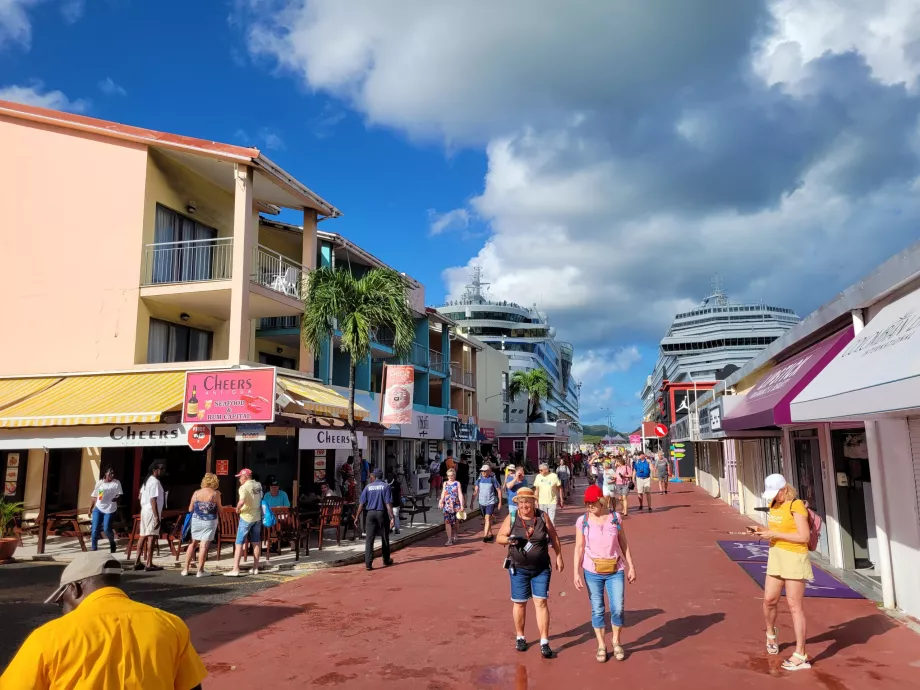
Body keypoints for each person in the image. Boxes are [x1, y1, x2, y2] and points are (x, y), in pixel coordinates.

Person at [0, 551, 208, 690]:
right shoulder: (170, 625)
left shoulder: (49, 637)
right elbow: (191, 687)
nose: (62, 609)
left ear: (75, 588)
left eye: (61, 601)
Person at [754, 474, 814, 672]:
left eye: (776, 493)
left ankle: (800, 654)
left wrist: (774, 534)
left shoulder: (795, 505)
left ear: (785, 489)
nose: (774, 497)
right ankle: (771, 633)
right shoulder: (774, 503)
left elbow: (804, 536)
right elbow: (776, 528)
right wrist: (762, 531)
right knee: (769, 599)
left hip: (795, 557)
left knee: (794, 605)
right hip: (776, 555)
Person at [496, 486, 565, 659]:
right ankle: (520, 637)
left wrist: (559, 556)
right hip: (518, 568)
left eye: (527, 501)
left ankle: (544, 641)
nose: (524, 505)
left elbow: (554, 536)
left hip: (541, 568)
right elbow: (499, 538)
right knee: (520, 603)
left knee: (541, 602)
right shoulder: (512, 517)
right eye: (521, 502)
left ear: (534, 502)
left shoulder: (542, 516)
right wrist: (509, 540)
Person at [573, 484, 637, 663]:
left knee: (617, 607)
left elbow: (624, 543)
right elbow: (579, 548)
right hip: (592, 571)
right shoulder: (582, 521)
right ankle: (601, 644)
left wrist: (631, 566)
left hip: (615, 570)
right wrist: (576, 573)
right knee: (598, 609)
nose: (590, 506)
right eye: (587, 503)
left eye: (592, 503)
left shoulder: (615, 518)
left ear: (601, 501)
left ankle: (616, 641)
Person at [224, 468, 263, 577]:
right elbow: (260, 498)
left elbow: (242, 501)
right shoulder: (258, 485)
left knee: (239, 543)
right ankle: (255, 567)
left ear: (245, 477)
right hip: (257, 517)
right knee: (256, 542)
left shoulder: (243, 487)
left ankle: (235, 568)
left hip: (246, 517)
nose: (239, 479)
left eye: (240, 477)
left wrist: (237, 509)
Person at [182, 473, 222, 578]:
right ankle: (200, 571)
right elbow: (220, 510)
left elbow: (190, 509)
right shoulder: (215, 494)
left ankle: (185, 569)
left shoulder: (196, 493)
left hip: (196, 520)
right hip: (209, 521)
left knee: (193, 543)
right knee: (203, 545)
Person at [354, 470, 395, 570]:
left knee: (369, 539)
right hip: (381, 513)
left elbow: (361, 504)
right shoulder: (386, 486)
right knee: (385, 537)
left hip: (370, 514)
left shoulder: (368, 487)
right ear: (382, 476)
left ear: (374, 477)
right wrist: (392, 517)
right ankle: (386, 559)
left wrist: (356, 517)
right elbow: (388, 504)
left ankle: (368, 563)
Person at [133, 462, 165, 572]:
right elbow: (153, 500)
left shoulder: (146, 481)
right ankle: (149, 563)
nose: (162, 470)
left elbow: (139, 496)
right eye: (160, 468)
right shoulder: (155, 482)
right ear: (154, 470)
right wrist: (156, 516)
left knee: (142, 535)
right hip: (152, 511)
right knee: (151, 536)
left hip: (144, 510)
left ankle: (137, 561)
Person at [88, 466, 123, 553]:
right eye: (110, 473)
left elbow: (119, 494)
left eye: (113, 473)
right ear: (105, 473)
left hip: (110, 509)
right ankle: (94, 547)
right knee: (95, 528)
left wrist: (116, 498)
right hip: (99, 508)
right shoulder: (100, 483)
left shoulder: (116, 483)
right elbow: (94, 496)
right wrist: (90, 509)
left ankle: (112, 542)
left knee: (107, 528)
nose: (112, 475)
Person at [473, 463, 503, 542]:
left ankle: (485, 535)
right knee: (486, 519)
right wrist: (472, 502)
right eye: (482, 471)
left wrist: (500, 502)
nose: (483, 472)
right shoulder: (479, 480)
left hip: (491, 501)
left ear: (489, 471)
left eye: (485, 471)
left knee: (487, 518)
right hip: (481, 502)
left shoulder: (492, 479)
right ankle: (490, 533)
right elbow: (475, 491)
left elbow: (499, 490)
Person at [439, 467, 465, 545]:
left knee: (456, 522)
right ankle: (449, 539)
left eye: (451, 475)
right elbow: (443, 493)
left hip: (455, 505)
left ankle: (455, 534)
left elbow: (460, 494)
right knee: (447, 522)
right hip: (447, 505)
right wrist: (441, 500)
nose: (450, 477)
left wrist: (462, 505)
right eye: (448, 475)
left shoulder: (457, 483)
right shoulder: (445, 483)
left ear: (454, 475)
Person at [386, 470, 403, 534]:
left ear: (393, 477)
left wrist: (400, 501)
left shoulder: (397, 484)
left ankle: (397, 528)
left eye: (391, 476)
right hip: (387, 504)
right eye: (388, 476)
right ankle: (390, 528)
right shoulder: (385, 483)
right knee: (389, 516)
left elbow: (399, 493)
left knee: (396, 515)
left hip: (395, 503)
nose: (389, 477)